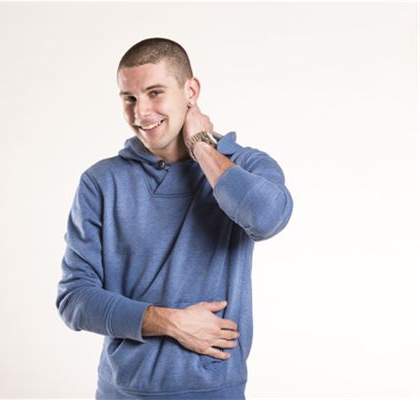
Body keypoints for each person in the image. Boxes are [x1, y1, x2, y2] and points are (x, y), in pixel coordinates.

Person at [55, 37, 293, 399]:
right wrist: (170, 322)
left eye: (154, 93)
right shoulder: (101, 182)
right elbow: (74, 299)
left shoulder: (245, 166)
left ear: (190, 91)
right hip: (121, 392)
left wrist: (201, 146)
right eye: (129, 98)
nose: (140, 113)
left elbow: (267, 218)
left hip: (213, 392)